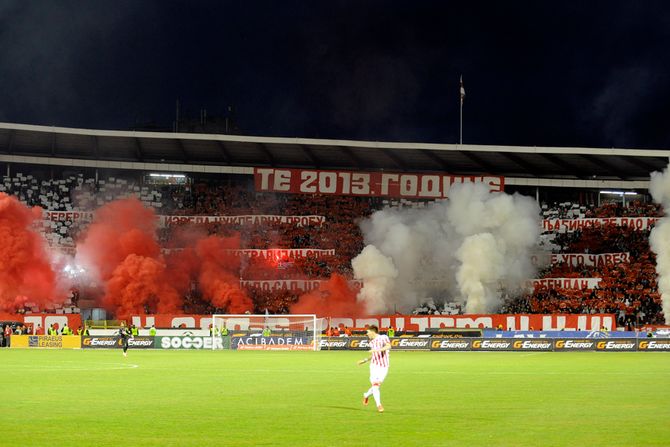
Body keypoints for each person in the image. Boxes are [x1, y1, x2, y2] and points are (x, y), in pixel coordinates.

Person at [357, 325, 391, 413]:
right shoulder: (371, 342)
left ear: (373, 331)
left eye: (368, 332)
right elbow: (373, 355)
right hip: (374, 366)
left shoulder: (384, 337)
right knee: (375, 386)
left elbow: (388, 346)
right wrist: (364, 360)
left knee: (376, 385)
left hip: (384, 366)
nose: (367, 334)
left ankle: (366, 395)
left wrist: (377, 350)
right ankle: (379, 405)